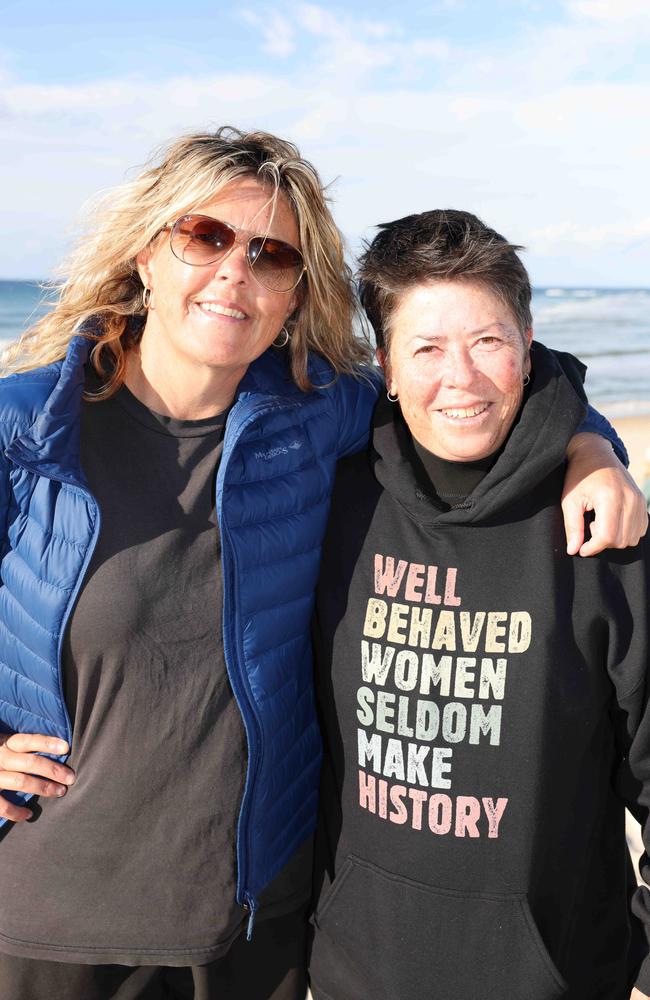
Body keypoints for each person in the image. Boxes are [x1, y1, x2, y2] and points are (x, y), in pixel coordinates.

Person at [0, 132, 644, 1000]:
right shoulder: (27, 429)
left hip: (255, 928)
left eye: (271, 255)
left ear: (295, 294)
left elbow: (472, 373)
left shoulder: (316, 423)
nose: (235, 272)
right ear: (148, 253)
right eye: (205, 236)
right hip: (48, 920)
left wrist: (591, 446)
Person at [309, 209, 650, 1000]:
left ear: (528, 351)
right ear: (385, 369)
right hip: (356, 970)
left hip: (558, 973)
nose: (458, 376)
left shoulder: (604, 530)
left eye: (487, 342)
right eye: (425, 348)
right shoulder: (331, 503)